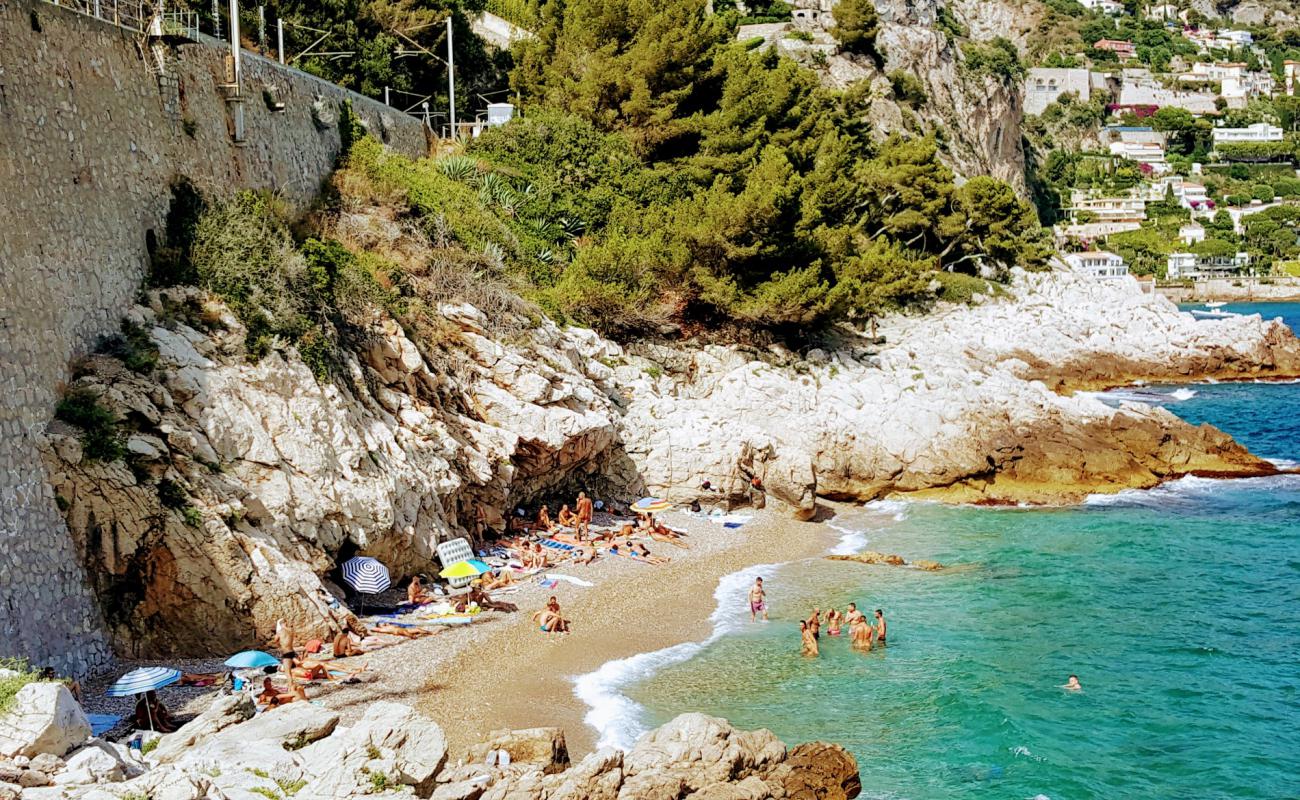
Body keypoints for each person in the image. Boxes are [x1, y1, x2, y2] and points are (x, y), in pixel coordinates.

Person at [276, 618, 297, 689]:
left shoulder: (280, 632)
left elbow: (275, 640)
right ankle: (291, 686)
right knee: (290, 671)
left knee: (287, 673)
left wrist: (279, 646)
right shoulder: (291, 630)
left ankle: (291, 688)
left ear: (281, 624)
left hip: (286, 653)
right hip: (292, 652)